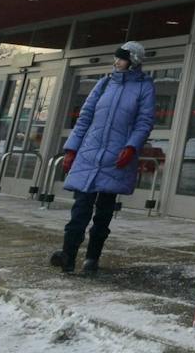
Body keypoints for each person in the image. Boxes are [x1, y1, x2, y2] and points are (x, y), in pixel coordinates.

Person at [49, 41, 156, 274]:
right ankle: (68, 254)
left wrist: (131, 147)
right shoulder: (104, 84)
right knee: (80, 208)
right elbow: (85, 118)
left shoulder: (144, 88)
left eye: (122, 58)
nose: (116, 62)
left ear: (134, 61)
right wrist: (71, 149)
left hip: (116, 158)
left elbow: (144, 122)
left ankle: (92, 258)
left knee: (103, 212)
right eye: (116, 58)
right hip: (89, 154)